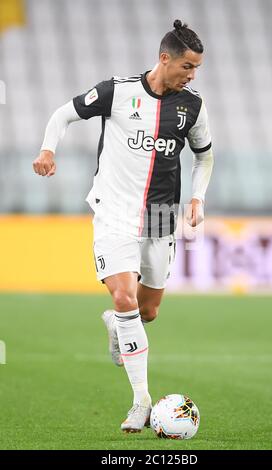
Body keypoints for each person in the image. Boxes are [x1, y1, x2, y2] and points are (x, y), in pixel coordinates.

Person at [33, 19, 213, 433]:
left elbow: (205, 156)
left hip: (162, 218)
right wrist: (47, 149)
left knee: (147, 310)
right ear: (164, 59)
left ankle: (118, 325)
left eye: (197, 68)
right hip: (114, 212)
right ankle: (141, 401)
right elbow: (64, 114)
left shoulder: (193, 107)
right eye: (188, 66)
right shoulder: (118, 91)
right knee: (124, 298)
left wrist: (198, 197)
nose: (192, 75)